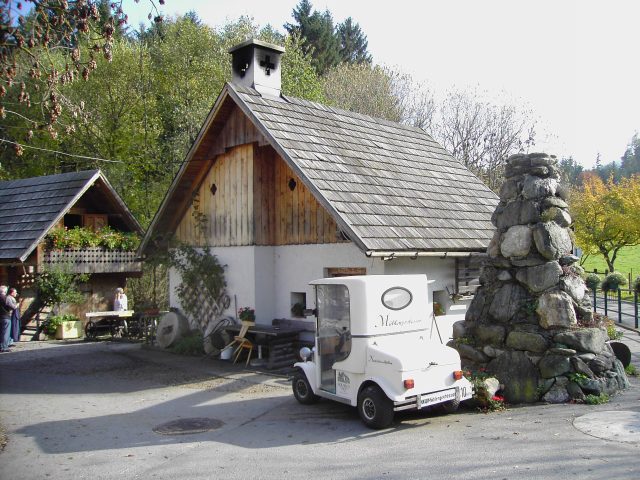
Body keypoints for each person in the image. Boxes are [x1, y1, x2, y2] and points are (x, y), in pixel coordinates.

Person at [0, 285, 12, 352]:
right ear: (5, 291)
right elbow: (12, 307)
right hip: (5, 317)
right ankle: (4, 347)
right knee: (5, 333)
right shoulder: (6, 298)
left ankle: (0, 346)